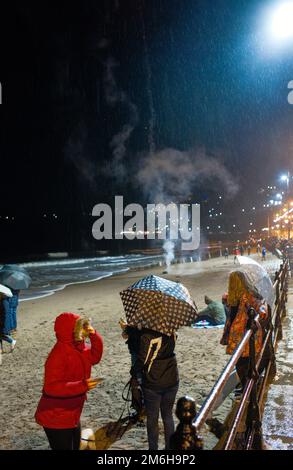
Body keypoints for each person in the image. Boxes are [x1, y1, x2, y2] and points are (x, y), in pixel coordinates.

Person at [35, 312, 103, 450]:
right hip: (55, 416)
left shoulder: (80, 348)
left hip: (72, 413)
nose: (84, 329)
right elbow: (51, 387)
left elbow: (95, 357)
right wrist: (82, 385)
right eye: (81, 327)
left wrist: (94, 335)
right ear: (71, 331)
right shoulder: (58, 354)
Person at [132, 328, 179, 450]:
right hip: (172, 377)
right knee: (168, 415)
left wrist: (133, 372)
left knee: (152, 418)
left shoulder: (148, 336)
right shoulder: (172, 331)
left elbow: (143, 359)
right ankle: (170, 448)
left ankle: (153, 449)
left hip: (153, 381)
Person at [220, 272, 269, 390]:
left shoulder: (242, 296)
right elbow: (261, 310)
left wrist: (262, 311)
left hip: (240, 335)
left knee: (242, 362)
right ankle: (248, 387)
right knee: (245, 361)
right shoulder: (237, 296)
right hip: (240, 335)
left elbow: (260, 307)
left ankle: (247, 388)